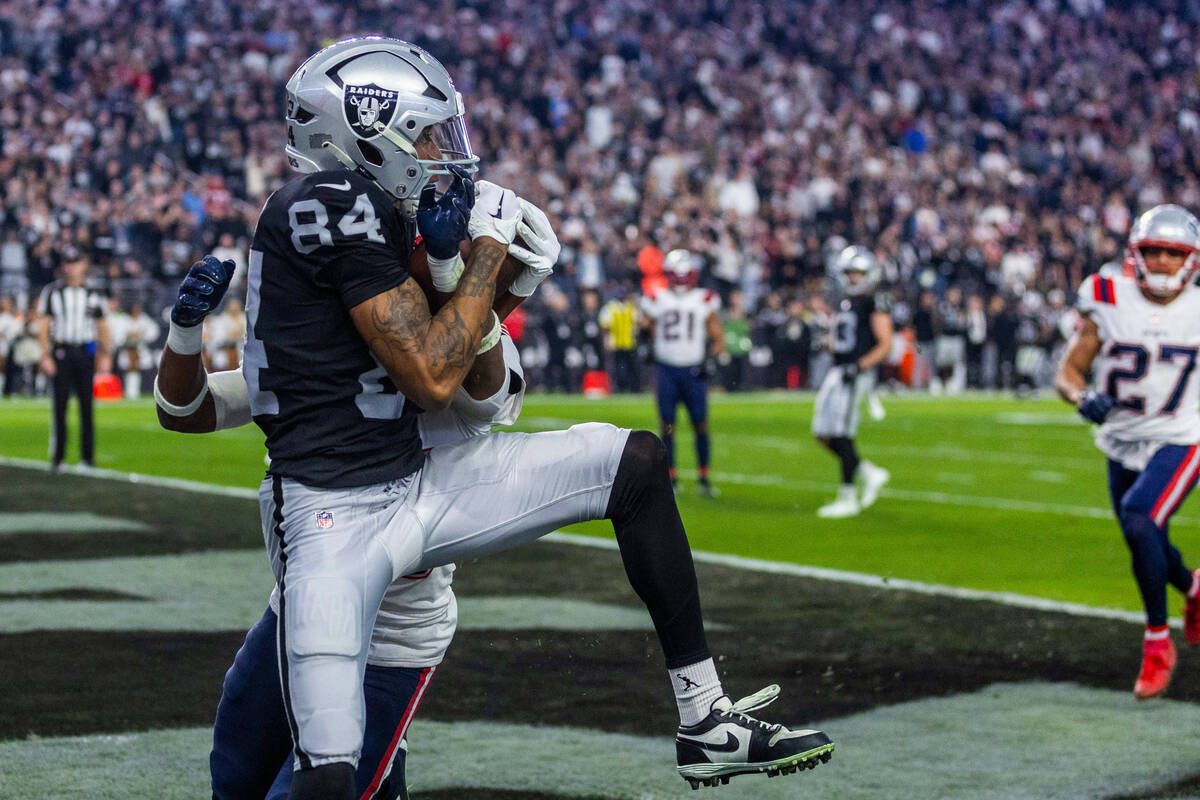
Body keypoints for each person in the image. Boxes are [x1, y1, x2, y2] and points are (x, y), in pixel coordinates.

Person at [156, 37, 832, 798]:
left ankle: (705, 717)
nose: (442, 159)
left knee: (635, 464)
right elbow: (282, 387)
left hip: (413, 540)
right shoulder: (344, 226)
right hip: (335, 524)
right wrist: (475, 256)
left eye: (517, 279)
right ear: (366, 129)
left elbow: (453, 379)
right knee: (262, 775)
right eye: (424, 134)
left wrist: (468, 275)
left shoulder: (475, 335)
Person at [159, 253, 533, 799]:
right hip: (298, 607)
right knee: (236, 774)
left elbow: (488, 394)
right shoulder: (328, 361)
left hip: (391, 633)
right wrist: (185, 329)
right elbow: (184, 408)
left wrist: (471, 297)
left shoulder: (471, 363)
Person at [1055, 204, 1200, 700]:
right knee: (1146, 535)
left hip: (1183, 435)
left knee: (1140, 516)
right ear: (1135, 254)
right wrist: (1081, 396)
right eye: (1153, 251)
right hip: (1121, 437)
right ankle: (1195, 588)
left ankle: (1158, 644)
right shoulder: (1107, 296)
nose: (1161, 261)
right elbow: (1068, 372)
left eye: (1172, 252)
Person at [811, 246, 893, 519]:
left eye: (858, 273)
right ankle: (868, 472)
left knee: (843, 433)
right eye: (849, 272)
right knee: (822, 432)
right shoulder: (844, 301)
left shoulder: (875, 301)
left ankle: (848, 497)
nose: (853, 277)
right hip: (838, 370)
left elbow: (885, 344)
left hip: (855, 374)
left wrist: (860, 366)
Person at [639, 249, 727, 497]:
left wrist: (713, 358)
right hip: (667, 368)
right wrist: (645, 341)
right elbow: (643, 326)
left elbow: (716, 334)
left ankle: (704, 476)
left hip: (693, 370)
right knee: (667, 426)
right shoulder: (657, 297)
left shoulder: (703, 299)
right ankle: (671, 476)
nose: (680, 280)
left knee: (700, 424)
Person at [36, 245, 111, 470]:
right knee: (59, 407)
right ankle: (58, 458)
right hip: (61, 352)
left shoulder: (93, 294)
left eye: (75, 263)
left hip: (85, 353)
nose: (71, 268)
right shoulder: (52, 292)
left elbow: (102, 326)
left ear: (84, 265)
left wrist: (105, 353)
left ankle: (87, 459)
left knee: (87, 408)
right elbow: (44, 326)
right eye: (68, 263)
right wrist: (45, 355)